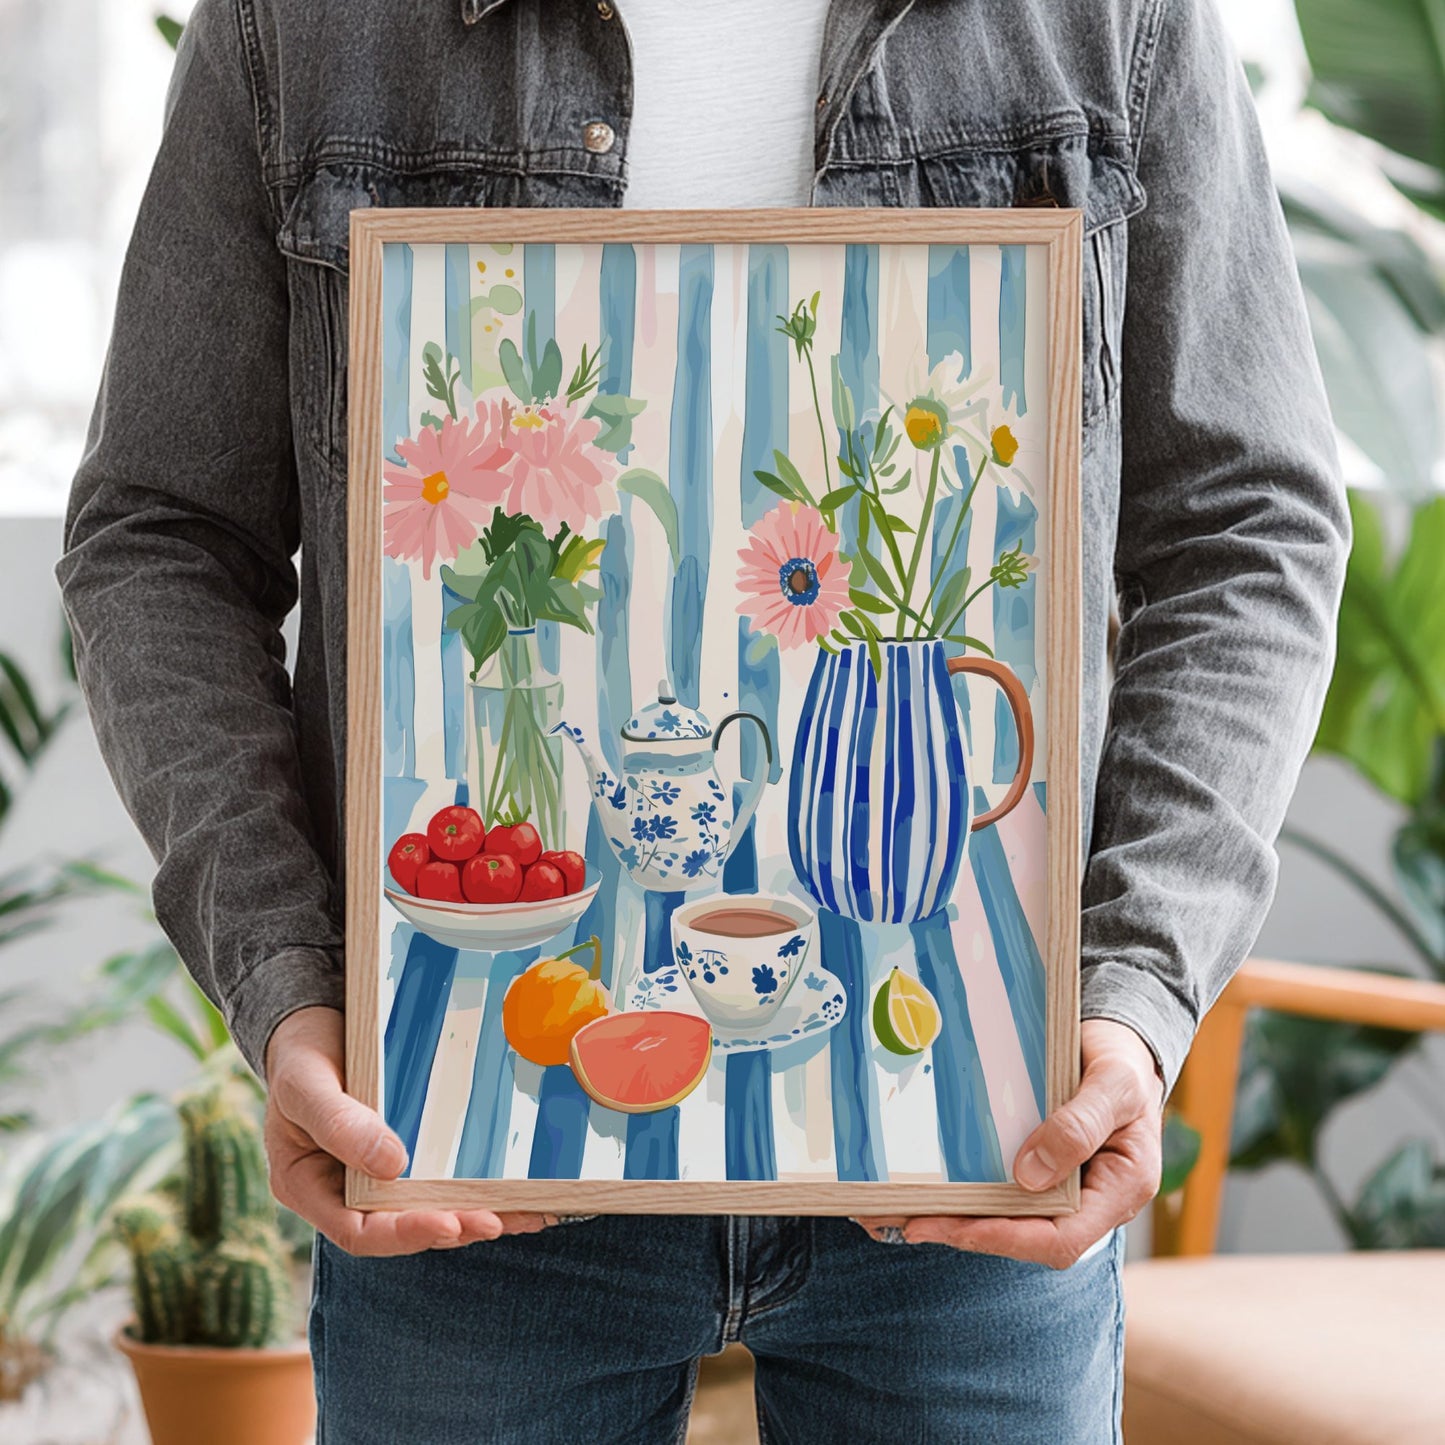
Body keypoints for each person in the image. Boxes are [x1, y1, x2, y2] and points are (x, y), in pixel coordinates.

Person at [56, 0, 1349, 1439]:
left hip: (977, 1153)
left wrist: (1133, 992)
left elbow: (1249, 529)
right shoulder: (308, 22)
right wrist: (289, 975)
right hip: (469, 1154)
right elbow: (158, 536)